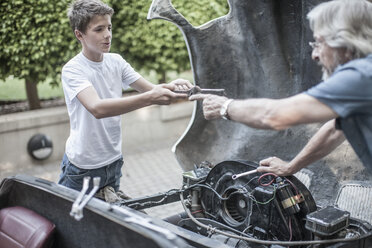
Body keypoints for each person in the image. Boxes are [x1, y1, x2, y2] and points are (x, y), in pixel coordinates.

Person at [190, 0, 372, 176]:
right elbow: (334, 129)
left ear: (346, 43)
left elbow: (275, 115)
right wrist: (291, 167)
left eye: (320, 43)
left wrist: (224, 106)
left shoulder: (360, 76)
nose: (315, 55)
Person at [59, 0, 192, 202]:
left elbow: (152, 90)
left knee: (110, 227)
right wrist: (150, 98)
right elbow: (97, 108)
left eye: (109, 27)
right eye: (99, 29)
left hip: (113, 163)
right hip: (82, 168)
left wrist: (173, 87)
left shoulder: (116, 62)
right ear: (80, 34)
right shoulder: (73, 69)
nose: (107, 35)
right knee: (72, 224)